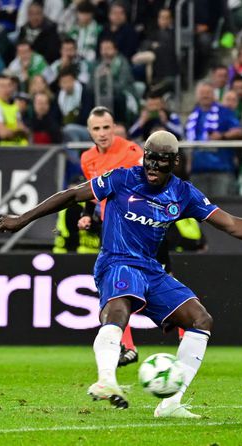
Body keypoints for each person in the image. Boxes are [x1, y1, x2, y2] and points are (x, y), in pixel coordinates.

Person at [0, 130, 242, 417]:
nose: (153, 167)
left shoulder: (183, 193)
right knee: (118, 309)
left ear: (174, 162)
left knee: (200, 319)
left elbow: (230, 224)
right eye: (150, 159)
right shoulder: (122, 178)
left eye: (161, 161)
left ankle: (171, 403)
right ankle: (106, 380)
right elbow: (72, 195)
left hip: (151, 269)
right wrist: (22, 219)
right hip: (117, 260)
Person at [80, 106, 144, 366]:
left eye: (106, 127)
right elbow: (92, 192)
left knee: (158, 285)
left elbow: (150, 186)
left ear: (114, 127)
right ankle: (127, 346)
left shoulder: (132, 152)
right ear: (89, 131)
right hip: (112, 232)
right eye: (96, 129)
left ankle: (188, 335)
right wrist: (87, 214)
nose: (102, 133)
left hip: (141, 230)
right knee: (114, 289)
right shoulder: (87, 158)